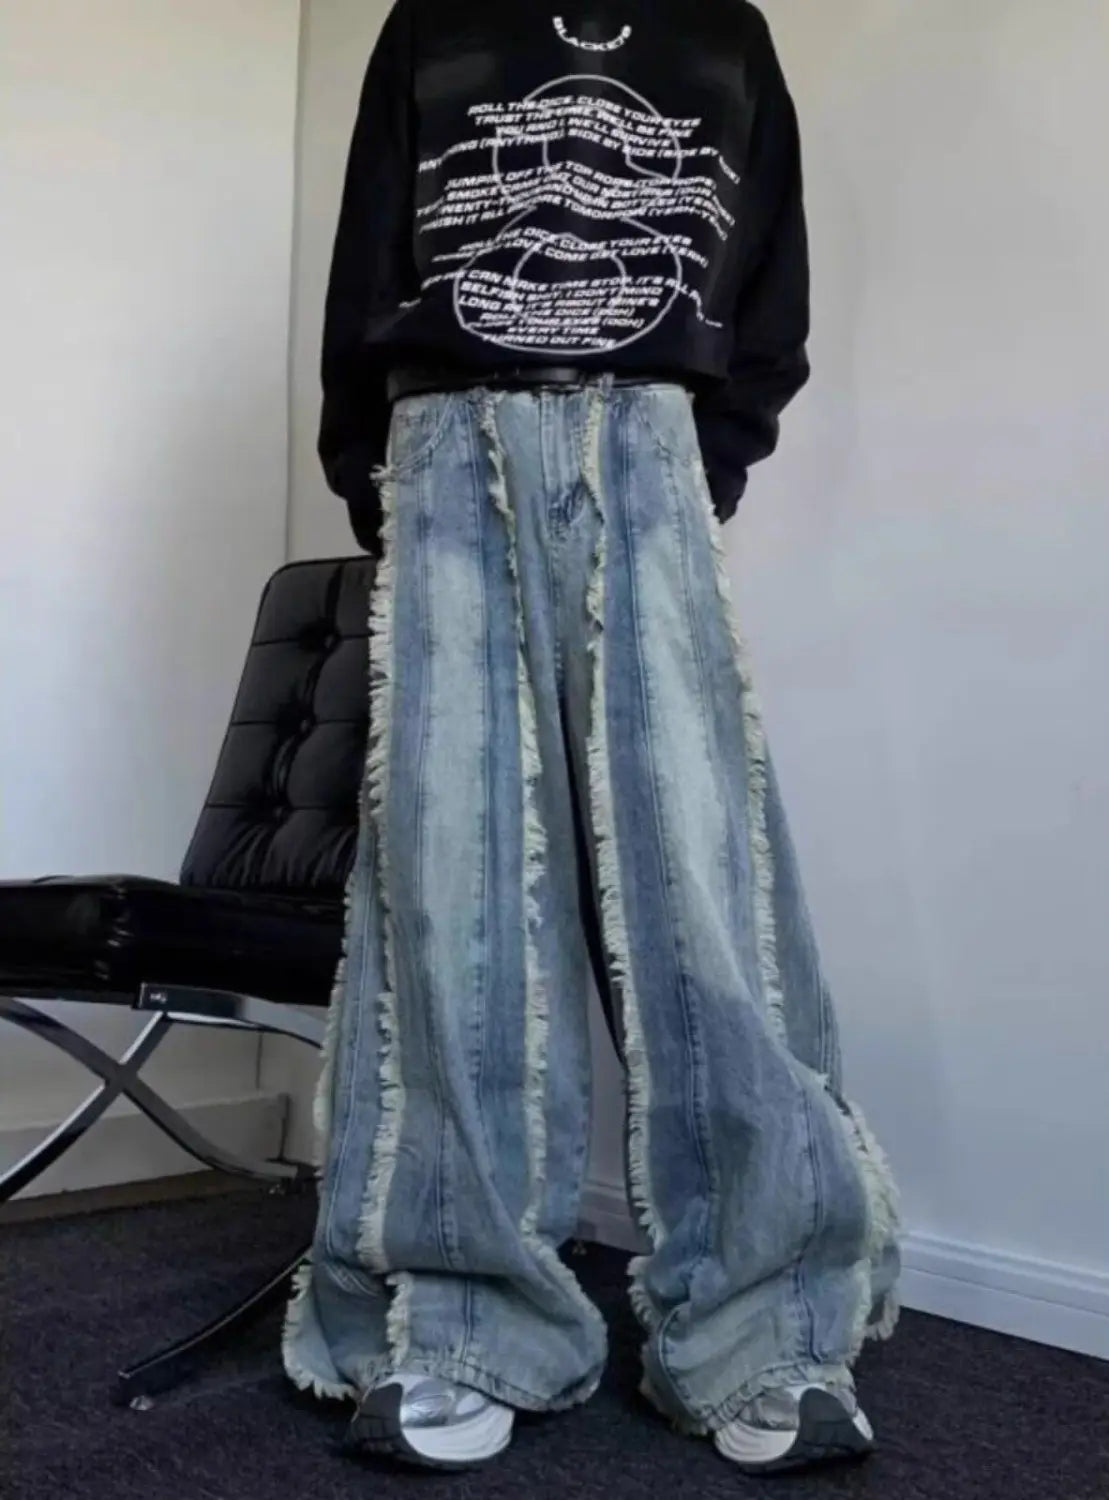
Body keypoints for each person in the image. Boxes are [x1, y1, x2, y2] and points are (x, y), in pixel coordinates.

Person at [283, 0, 901, 1476]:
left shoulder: (724, 29)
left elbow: (770, 278)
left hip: (652, 443)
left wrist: (705, 458)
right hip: (444, 438)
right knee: (452, 887)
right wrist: (380, 473)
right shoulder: (433, 18)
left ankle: (766, 1323)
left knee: (702, 884)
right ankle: (458, 1318)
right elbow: (369, 259)